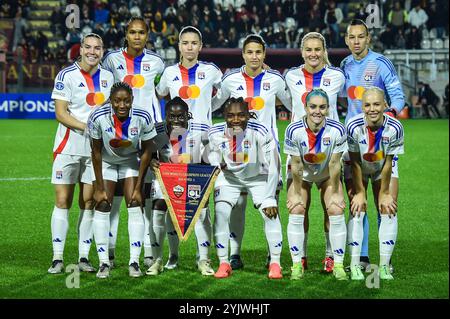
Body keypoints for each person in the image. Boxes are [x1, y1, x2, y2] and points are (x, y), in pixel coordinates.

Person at [212, 34, 291, 271]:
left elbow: (292, 104)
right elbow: (215, 105)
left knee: (270, 202)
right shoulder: (230, 80)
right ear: (243, 54)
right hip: (235, 151)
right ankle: (234, 255)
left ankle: (272, 256)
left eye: (258, 52)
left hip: (266, 151)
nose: (254, 56)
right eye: (250, 52)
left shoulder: (275, 79)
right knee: (236, 204)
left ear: (264, 54)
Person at [156, 26, 223, 270]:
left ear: (200, 46)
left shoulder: (211, 71)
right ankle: (173, 255)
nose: (190, 47)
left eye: (194, 43)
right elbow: (160, 94)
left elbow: (224, 93)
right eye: (185, 43)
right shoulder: (169, 72)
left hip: (204, 144)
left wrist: (208, 111)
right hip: (176, 144)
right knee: (172, 199)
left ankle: (203, 257)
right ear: (179, 46)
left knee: (202, 204)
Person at [341, 19, 405, 272]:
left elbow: (397, 95)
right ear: (346, 40)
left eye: (361, 36)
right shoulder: (344, 65)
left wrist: (389, 113)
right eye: (351, 37)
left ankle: (385, 261)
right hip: (353, 142)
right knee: (357, 202)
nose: (356, 41)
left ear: (368, 39)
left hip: (379, 139)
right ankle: (363, 259)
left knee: (384, 201)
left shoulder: (380, 63)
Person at [102, 17, 165, 270]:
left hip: (149, 133)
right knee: (116, 193)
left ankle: (148, 251)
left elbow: (164, 90)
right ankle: (111, 249)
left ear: (148, 35)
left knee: (145, 193)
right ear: (125, 34)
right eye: (132, 32)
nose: (137, 36)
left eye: (141, 32)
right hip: (120, 133)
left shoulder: (157, 63)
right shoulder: (111, 60)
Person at [48, 33, 114, 274]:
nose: (92, 52)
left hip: (95, 151)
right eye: (88, 47)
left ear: (102, 50)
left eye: (97, 48)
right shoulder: (66, 75)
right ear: (82, 49)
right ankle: (57, 257)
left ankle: (84, 257)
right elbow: (60, 113)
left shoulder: (108, 77)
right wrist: (87, 127)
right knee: (63, 200)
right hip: (68, 147)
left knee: (88, 202)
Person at [284, 32, 346, 273]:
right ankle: (301, 258)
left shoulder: (337, 76)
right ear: (301, 52)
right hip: (299, 150)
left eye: (317, 49)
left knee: (333, 207)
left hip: (330, 149)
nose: (313, 54)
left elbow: (359, 93)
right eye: (308, 49)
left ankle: (331, 257)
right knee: (299, 206)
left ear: (324, 51)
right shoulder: (290, 76)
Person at [87, 82, 157, 278]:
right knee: (101, 204)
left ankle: (134, 262)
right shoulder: (98, 117)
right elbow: (96, 152)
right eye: (117, 101)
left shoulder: (142, 116)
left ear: (132, 100)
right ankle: (104, 263)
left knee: (135, 203)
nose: (122, 105)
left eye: (126, 100)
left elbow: (147, 151)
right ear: (110, 101)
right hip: (106, 163)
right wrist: (99, 187)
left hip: (130, 162)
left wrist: (138, 186)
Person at [209, 97, 283, 279]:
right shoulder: (214, 133)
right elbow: (210, 155)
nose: (236, 120)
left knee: (270, 213)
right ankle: (224, 263)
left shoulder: (261, 131)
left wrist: (271, 197)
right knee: (221, 212)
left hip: (258, 177)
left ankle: (275, 263)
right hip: (230, 178)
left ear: (249, 115)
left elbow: (274, 164)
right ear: (224, 116)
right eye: (231, 115)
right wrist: (217, 163)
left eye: (241, 115)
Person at [146, 97, 214, 276]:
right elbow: (148, 154)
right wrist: (152, 161)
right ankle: (158, 259)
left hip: (193, 176)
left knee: (202, 210)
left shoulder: (202, 130)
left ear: (188, 116)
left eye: (180, 116)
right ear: (165, 116)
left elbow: (210, 157)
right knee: (159, 207)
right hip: (166, 177)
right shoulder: (156, 130)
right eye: (172, 116)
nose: (176, 121)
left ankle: (204, 259)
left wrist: (203, 178)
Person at [346, 87, 404, 280]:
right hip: (358, 166)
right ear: (362, 107)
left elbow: (389, 162)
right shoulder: (353, 126)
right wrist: (360, 192)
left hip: (382, 167)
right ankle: (355, 264)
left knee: (388, 208)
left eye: (377, 104)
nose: (372, 109)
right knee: (358, 208)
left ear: (385, 105)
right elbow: (354, 161)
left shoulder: (395, 127)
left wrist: (385, 192)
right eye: (367, 104)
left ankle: (385, 265)